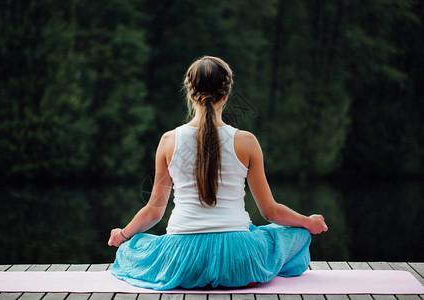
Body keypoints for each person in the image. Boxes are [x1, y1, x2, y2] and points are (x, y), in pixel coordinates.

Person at [108, 56, 328, 290]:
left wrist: (122, 235)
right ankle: (241, 272)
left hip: (182, 260)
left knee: (131, 248)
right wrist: (308, 222)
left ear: (190, 95)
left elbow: (153, 212)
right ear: (226, 95)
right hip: (240, 258)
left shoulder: (168, 141)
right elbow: (270, 212)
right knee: (297, 235)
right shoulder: (247, 142)